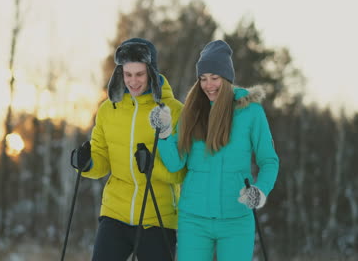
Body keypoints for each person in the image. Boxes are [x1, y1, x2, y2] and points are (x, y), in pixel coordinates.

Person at [150, 40, 279, 261]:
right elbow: (175, 163)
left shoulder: (250, 112)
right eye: (203, 79)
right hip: (194, 219)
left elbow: (269, 160)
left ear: (227, 78)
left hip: (236, 218)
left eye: (215, 78)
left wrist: (260, 191)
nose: (208, 85)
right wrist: (163, 134)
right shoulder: (193, 112)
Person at [71, 37, 186, 261]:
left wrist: (152, 165)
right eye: (128, 74)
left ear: (152, 73)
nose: (133, 81)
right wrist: (86, 163)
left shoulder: (174, 111)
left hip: (158, 215)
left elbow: (181, 172)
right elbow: (102, 161)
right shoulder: (108, 110)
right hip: (115, 211)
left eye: (140, 74)